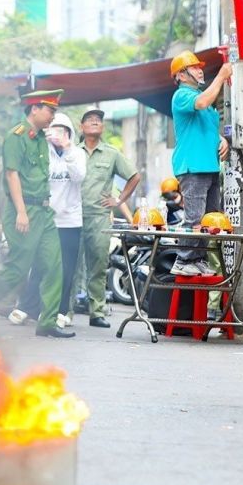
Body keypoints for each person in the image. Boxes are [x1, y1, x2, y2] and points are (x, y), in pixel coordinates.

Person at [0, 89, 75, 339]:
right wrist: (22, 212)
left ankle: (46, 322)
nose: (52, 116)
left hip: (44, 211)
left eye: (55, 111)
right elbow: (11, 174)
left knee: (56, 265)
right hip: (24, 211)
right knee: (17, 267)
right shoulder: (16, 137)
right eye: (50, 111)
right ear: (34, 109)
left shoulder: (41, 140)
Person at [9, 112, 87, 327]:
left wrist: (67, 148)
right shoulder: (42, 153)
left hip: (70, 220)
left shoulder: (78, 153)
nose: (58, 135)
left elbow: (79, 176)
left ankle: (60, 311)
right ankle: (27, 307)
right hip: (46, 219)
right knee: (40, 265)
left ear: (70, 133)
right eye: (54, 130)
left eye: (63, 130)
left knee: (67, 269)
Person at [168, 51, 232, 276]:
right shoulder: (183, 95)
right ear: (181, 75)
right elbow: (203, 101)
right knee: (194, 218)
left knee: (209, 218)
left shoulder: (202, 99)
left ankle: (198, 258)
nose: (200, 70)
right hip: (193, 167)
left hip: (210, 166)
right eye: (194, 67)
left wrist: (221, 139)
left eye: (199, 66)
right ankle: (183, 260)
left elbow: (207, 130)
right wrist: (222, 75)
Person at [78, 107, 140, 328]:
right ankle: (63, 311)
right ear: (81, 127)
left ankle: (96, 312)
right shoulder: (73, 152)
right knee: (71, 265)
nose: (95, 122)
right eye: (90, 119)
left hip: (99, 216)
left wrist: (119, 201)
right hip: (73, 216)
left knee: (98, 264)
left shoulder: (112, 153)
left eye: (98, 120)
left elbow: (134, 176)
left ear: (102, 127)